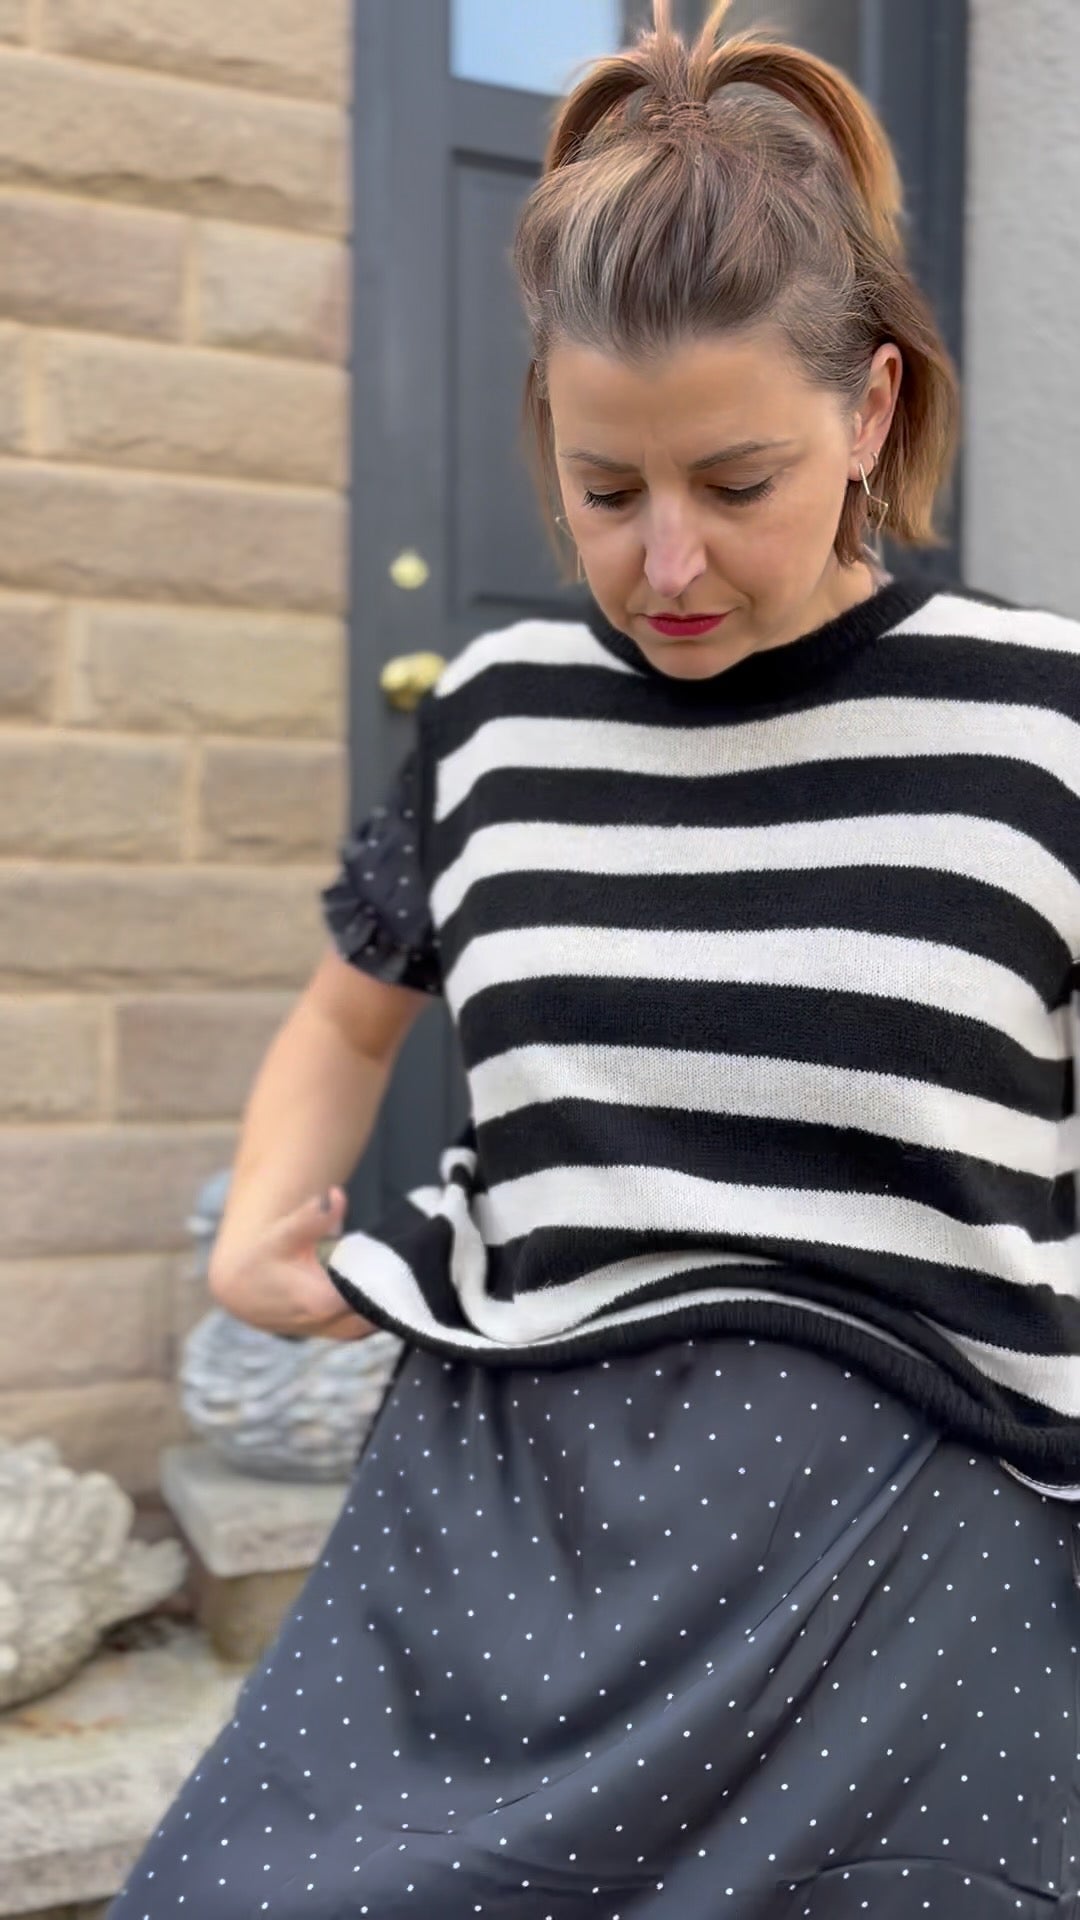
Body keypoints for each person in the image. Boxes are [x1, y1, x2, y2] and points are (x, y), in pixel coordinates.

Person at [110, 3, 1080, 1914]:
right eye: (606, 489)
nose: (667, 566)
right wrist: (258, 1226)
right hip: (500, 1535)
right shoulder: (495, 712)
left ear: (871, 411)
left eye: (737, 482)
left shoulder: (1045, 724)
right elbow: (349, 1011)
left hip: (916, 1555)